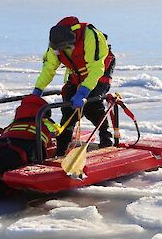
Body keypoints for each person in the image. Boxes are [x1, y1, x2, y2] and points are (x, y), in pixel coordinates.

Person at [32, 16, 115, 156]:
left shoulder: (90, 36)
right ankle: (61, 150)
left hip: (99, 69)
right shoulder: (55, 44)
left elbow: (96, 69)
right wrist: (38, 90)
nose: (63, 50)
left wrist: (83, 91)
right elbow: (49, 68)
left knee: (92, 104)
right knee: (68, 109)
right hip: (77, 72)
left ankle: (106, 139)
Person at [0, 94, 58, 198]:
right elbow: (50, 144)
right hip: (15, 156)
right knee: (0, 176)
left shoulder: (13, 124)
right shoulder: (42, 125)